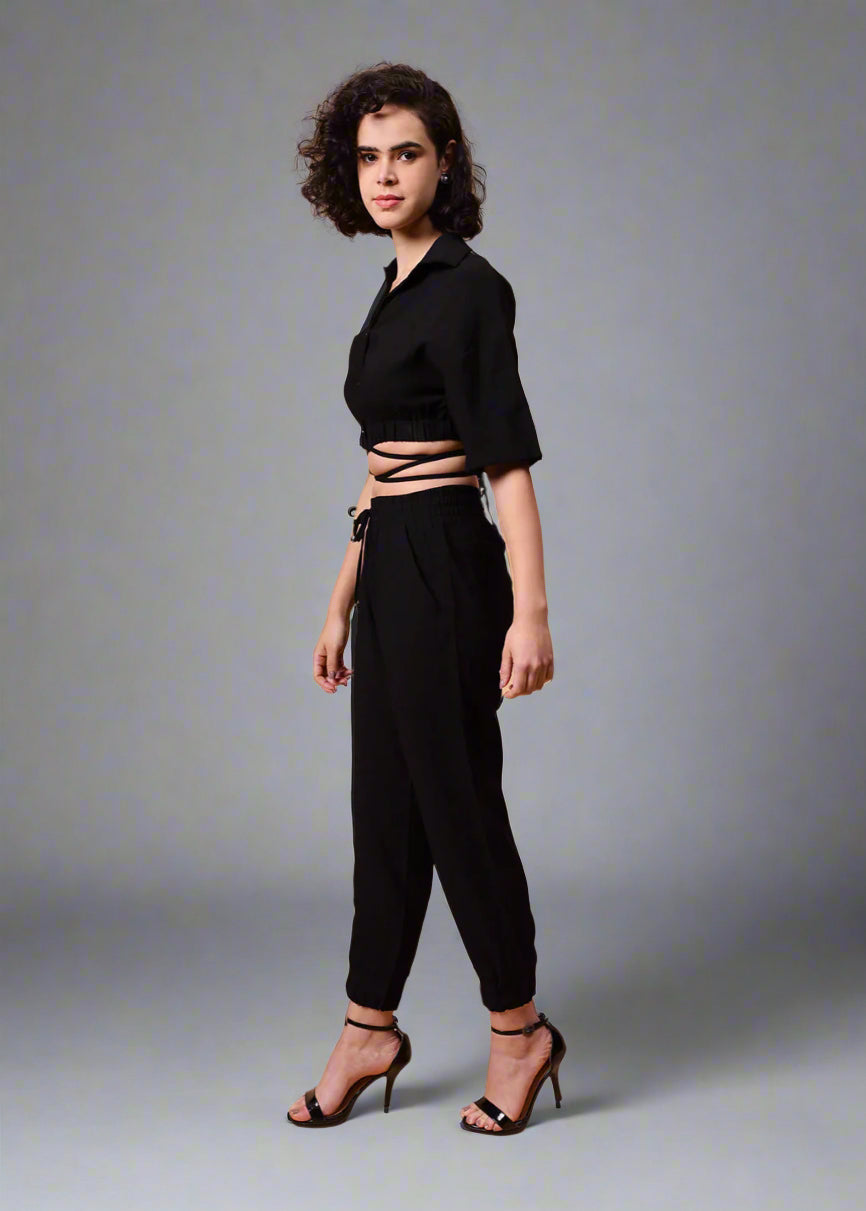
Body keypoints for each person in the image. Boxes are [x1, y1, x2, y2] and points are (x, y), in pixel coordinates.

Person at [288, 62, 565, 1136]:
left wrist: (531, 612)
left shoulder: (468, 288)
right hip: (391, 560)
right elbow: (380, 470)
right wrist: (337, 601)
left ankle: (518, 1030)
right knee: (385, 810)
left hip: (451, 561)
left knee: (457, 807)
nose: (385, 174)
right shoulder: (393, 289)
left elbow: (505, 465)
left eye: (405, 152)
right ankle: (368, 1025)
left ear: (445, 163)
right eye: (367, 157)